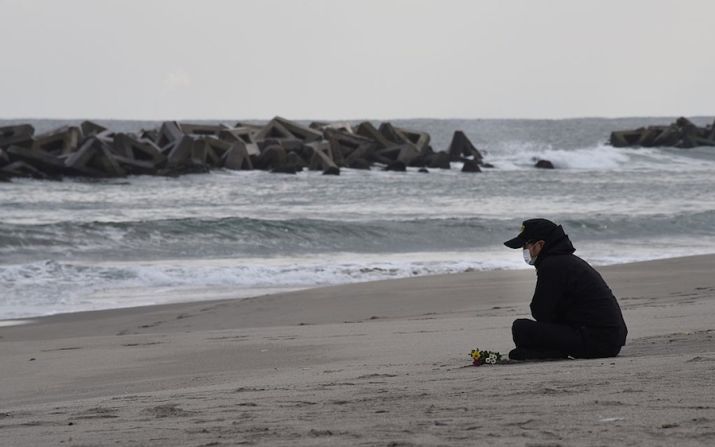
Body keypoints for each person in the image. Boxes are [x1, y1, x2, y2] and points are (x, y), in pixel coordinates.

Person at [503, 218, 628, 361]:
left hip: (595, 342)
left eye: (525, 245)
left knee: (521, 328)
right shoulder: (567, 261)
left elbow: (540, 311)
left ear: (540, 244)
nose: (524, 250)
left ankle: (552, 353)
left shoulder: (552, 265)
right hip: (609, 340)